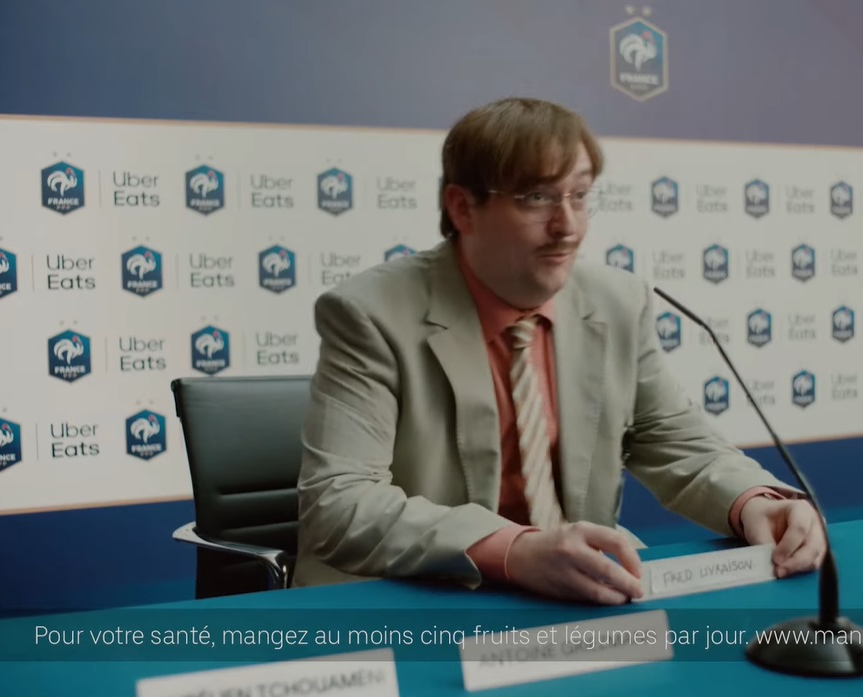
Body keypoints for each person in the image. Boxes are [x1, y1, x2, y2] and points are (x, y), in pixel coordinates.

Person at [292, 97, 824, 604]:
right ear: (463, 208)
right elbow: (340, 504)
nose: (567, 227)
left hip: (570, 599)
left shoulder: (617, 301)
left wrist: (755, 501)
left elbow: (675, 441)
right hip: (411, 598)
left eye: (580, 195)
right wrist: (513, 550)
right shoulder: (370, 314)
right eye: (537, 198)